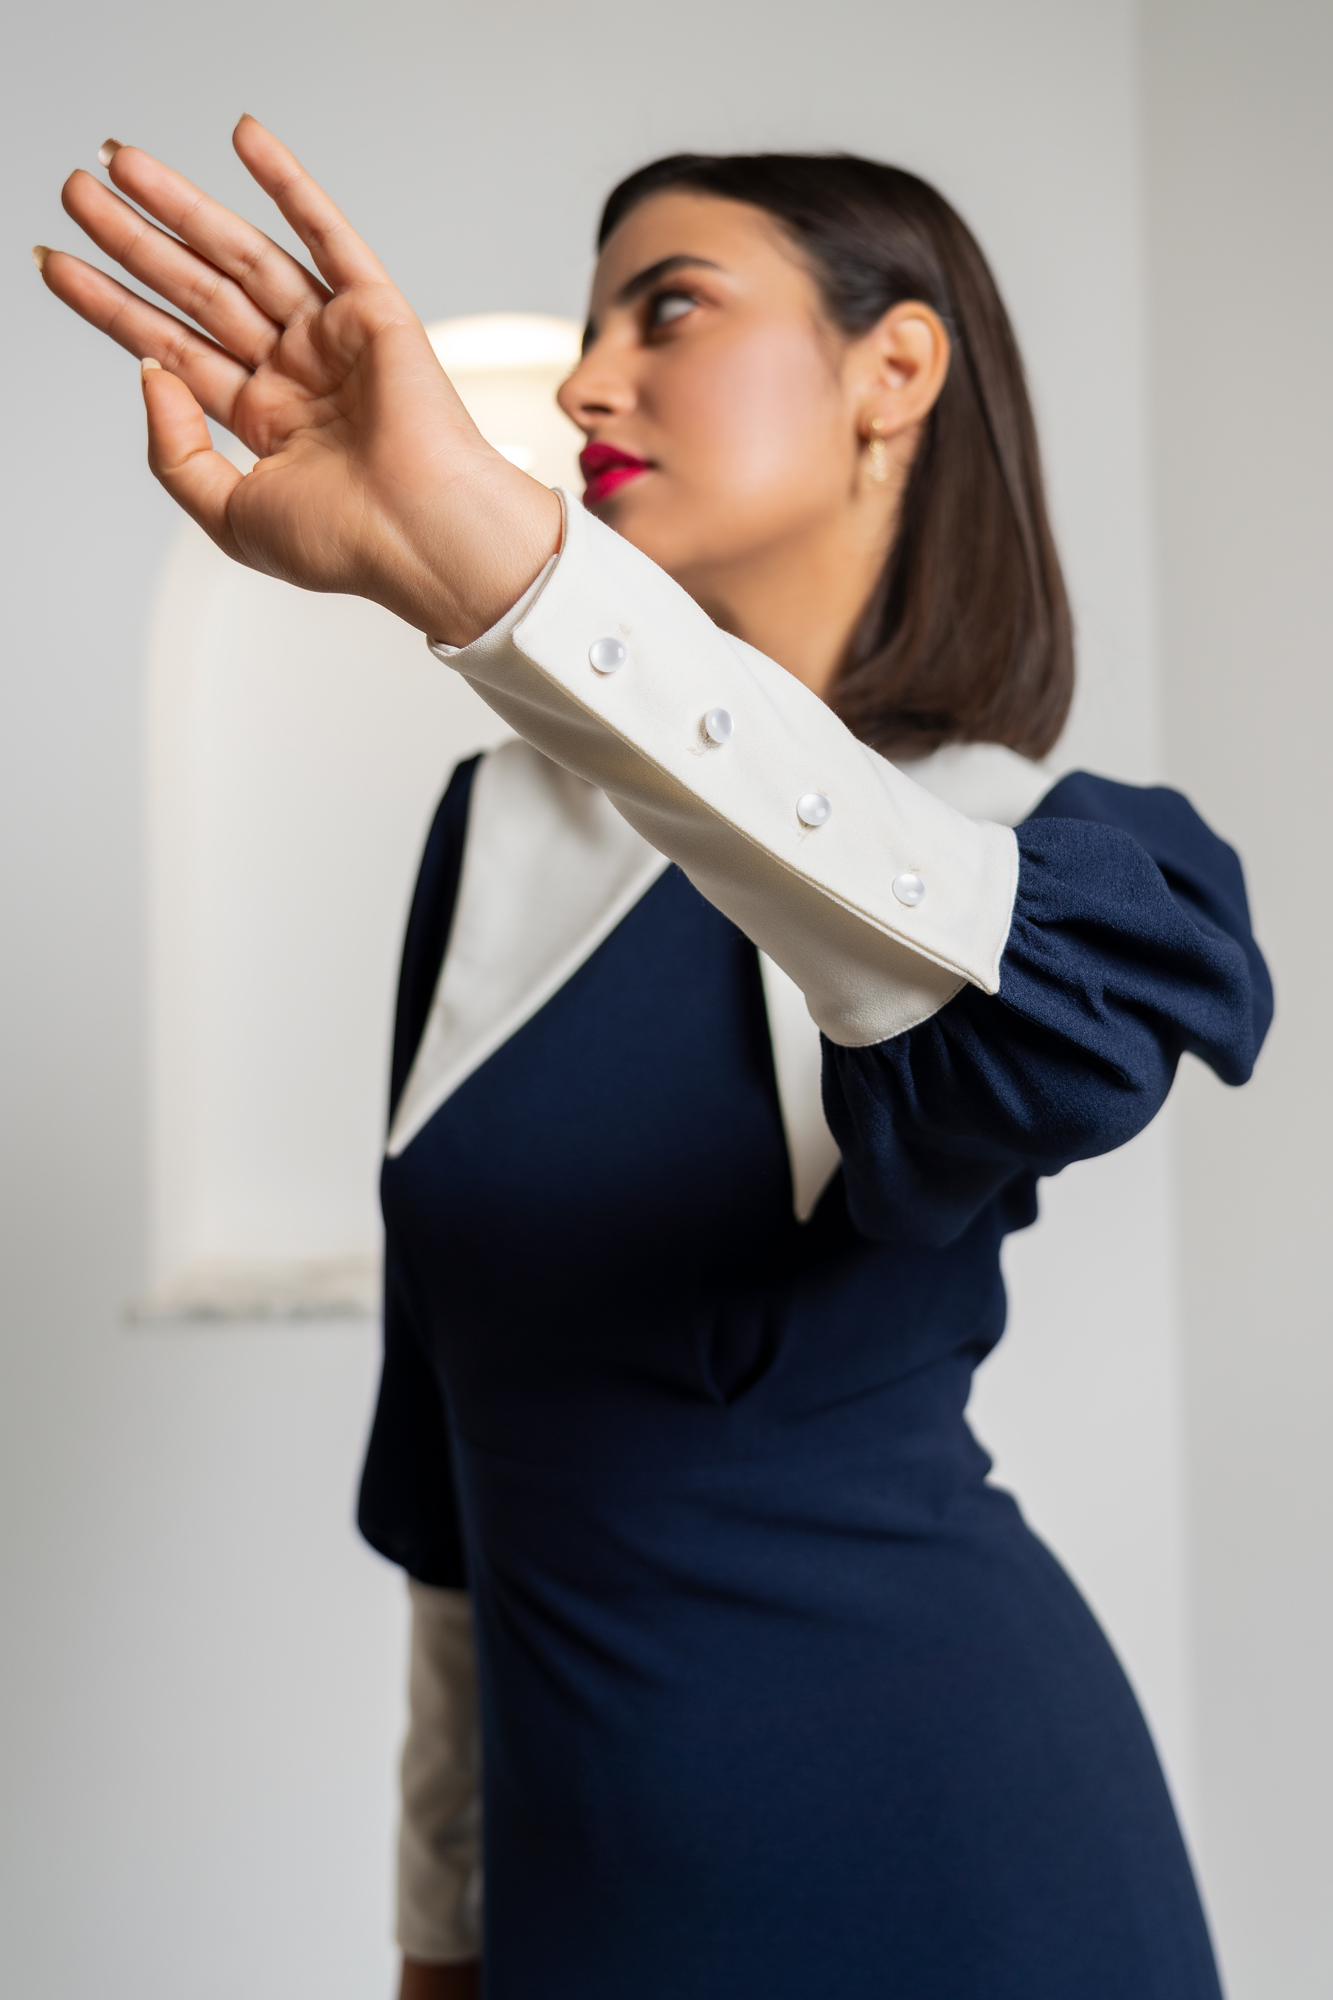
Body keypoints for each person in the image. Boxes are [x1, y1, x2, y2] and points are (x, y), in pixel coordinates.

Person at [38, 120, 1271, 2000]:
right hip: (577, 1894)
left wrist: (507, 588)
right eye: (597, 318)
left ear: (895, 368)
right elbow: (447, 1473)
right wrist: (437, 1927)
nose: (594, 380)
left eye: (668, 308)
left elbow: (981, 1020)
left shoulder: (1025, 857)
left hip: (953, 1865)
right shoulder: (490, 837)